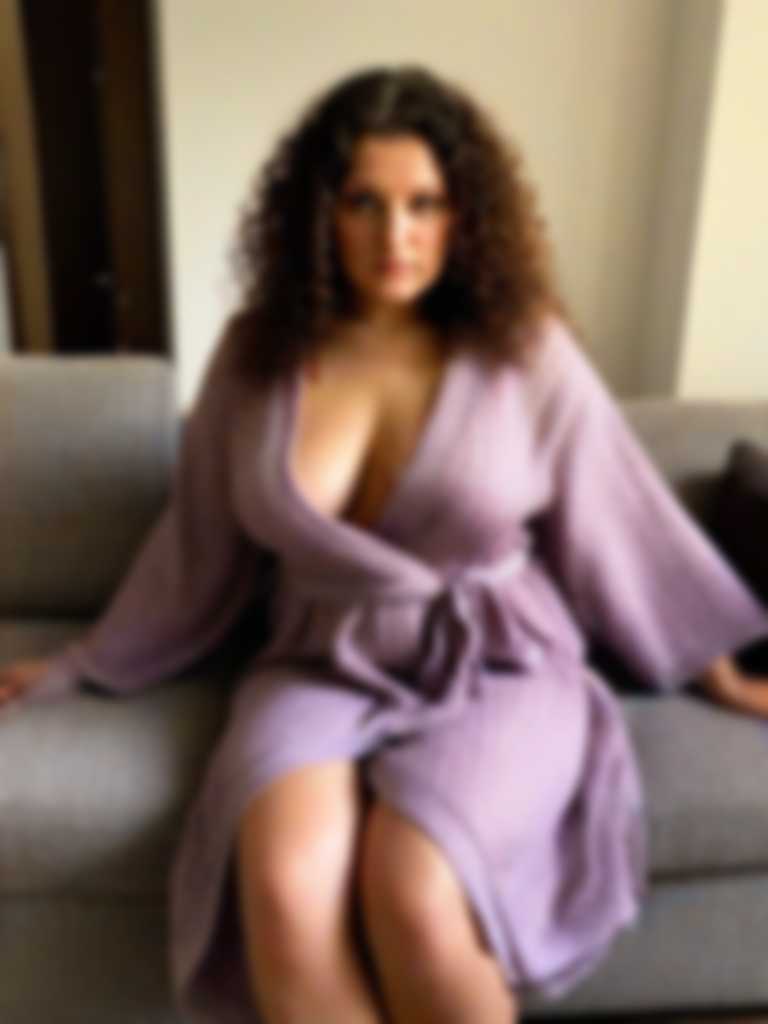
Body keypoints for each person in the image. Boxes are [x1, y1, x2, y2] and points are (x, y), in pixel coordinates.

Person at [2, 64, 768, 1024]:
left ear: (465, 215)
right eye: (363, 203)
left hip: (499, 661)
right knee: (283, 890)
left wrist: (723, 673)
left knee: (412, 884)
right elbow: (197, 545)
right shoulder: (255, 356)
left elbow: (622, 521)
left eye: (423, 204)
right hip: (321, 659)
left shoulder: (523, 350)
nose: (394, 236)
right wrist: (82, 662)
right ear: (318, 214)